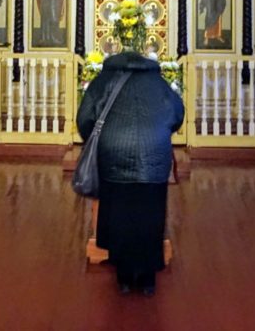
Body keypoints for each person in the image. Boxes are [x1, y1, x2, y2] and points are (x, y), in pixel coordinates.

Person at [76, 50, 184, 296]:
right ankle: (148, 280)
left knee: (120, 215)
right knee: (150, 215)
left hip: (114, 155)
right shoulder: (157, 81)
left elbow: (85, 118)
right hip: (153, 156)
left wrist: (100, 140)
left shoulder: (105, 79)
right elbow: (177, 115)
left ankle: (124, 277)